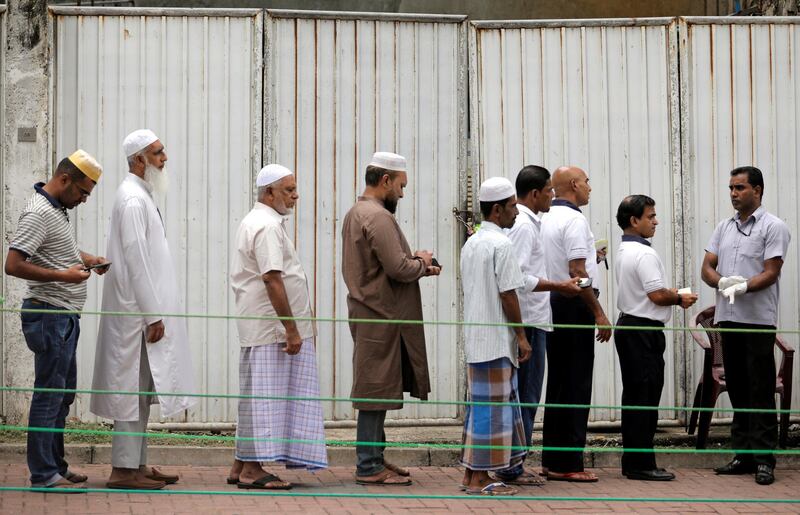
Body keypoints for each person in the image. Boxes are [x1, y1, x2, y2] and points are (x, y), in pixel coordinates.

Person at [91, 129, 196, 490]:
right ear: (139, 160)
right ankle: (123, 470)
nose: (165, 158)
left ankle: (137, 463)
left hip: (144, 314)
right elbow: (136, 263)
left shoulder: (141, 195)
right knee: (131, 393)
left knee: (143, 393)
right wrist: (152, 315)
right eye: (158, 153)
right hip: (136, 317)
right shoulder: (133, 201)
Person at [5, 150, 106, 492]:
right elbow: (14, 264)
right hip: (49, 314)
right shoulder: (37, 213)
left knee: (62, 395)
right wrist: (63, 276)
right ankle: (43, 473)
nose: (84, 199)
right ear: (65, 179)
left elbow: (58, 250)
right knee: (49, 395)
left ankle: (56, 467)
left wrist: (87, 259)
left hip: (63, 316)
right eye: (82, 192)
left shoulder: (56, 210)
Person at [341, 151, 440, 486]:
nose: (402, 193)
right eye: (400, 185)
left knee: (379, 386)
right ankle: (368, 465)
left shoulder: (359, 212)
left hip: (372, 312)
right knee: (374, 389)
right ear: (385, 180)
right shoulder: (377, 216)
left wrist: (418, 263)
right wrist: (422, 262)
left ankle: (376, 456)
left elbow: (387, 265)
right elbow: (398, 268)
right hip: (379, 315)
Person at [228, 164, 328, 490]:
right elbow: (272, 278)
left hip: (263, 328)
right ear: (269, 193)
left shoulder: (260, 221)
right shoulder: (267, 226)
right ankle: (253, 470)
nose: (296, 195)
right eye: (289, 190)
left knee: (254, 394)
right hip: (273, 331)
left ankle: (241, 463)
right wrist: (292, 329)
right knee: (265, 397)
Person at [701, 166, 790, 486]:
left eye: (740, 188)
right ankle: (744, 454)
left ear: (758, 190)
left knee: (760, 389)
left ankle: (765, 459)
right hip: (728, 318)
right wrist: (722, 281)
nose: (734, 194)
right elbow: (706, 267)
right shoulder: (724, 228)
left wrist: (744, 287)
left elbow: (772, 271)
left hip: (756, 320)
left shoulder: (773, 226)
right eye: (731, 188)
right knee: (737, 386)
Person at [493, 166, 581, 487]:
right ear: (535, 194)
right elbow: (515, 279)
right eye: (548, 191)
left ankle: (513, 462)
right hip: (528, 322)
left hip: (534, 321)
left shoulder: (531, 224)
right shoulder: (524, 228)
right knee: (526, 396)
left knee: (528, 395)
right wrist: (559, 285)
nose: (552, 196)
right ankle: (512, 466)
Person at [614, 195, 697, 481]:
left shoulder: (625, 250)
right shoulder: (645, 254)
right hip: (642, 332)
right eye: (650, 216)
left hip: (630, 328)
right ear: (634, 221)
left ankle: (635, 460)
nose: (656, 221)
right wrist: (680, 297)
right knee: (645, 397)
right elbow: (656, 295)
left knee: (636, 396)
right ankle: (640, 464)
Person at [459, 176, 532, 496]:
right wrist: (522, 336)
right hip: (494, 341)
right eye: (513, 206)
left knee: (482, 409)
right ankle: (479, 478)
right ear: (498, 210)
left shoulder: (472, 242)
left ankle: (471, 474)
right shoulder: (501, 244)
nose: (517, 211)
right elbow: (508, 295)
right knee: (491, 411)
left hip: (477, 339)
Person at [539, 165, 612, 482]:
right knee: (576, 383)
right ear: (573, 184)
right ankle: (568, 463)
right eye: (587, 181)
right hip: (574, 305)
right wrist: (598, 312)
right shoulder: (574, 220)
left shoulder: (545, 218)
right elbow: (576, 272)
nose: (590, 188)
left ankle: (553, 459)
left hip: (553, 304)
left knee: (558, 383)